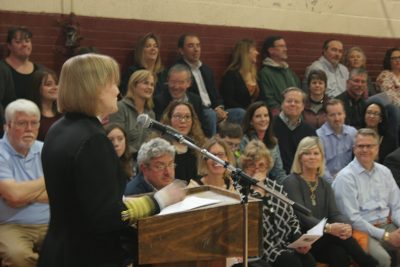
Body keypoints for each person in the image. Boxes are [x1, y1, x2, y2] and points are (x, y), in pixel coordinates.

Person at [37, 54, 185, 267]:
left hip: (59, 250)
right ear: (94, 88)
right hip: (88, 256)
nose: (117, 90)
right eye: (112, 84)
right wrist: (160, 200)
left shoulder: (58, 129)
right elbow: (108, 217)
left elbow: (87, 202)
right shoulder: (94, 139)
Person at [284, 136, 378, 267]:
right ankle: (372, 264)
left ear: (321, 157)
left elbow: (334, 214)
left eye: (316, 153)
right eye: (307, 153)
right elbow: (302, 217)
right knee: (343, 239)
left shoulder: (324, 184)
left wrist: (345, 225)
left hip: (323, 238)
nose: (312, 157)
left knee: (339, 254)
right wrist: (329, 228)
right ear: (300, 157)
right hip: (302, 239)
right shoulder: (291, 181)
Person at [240, 140, 316, 267]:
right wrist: (256, 191)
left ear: (268, 167)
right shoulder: (241, 191)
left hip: (284, 245)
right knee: (292, 263)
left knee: (309, 261)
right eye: (251, 165)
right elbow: (247, 224)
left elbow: (292, 219)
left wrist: (298, 239)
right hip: (260, 250)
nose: (256, 170)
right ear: (244, 168)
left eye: (261, 165)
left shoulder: (276, 188)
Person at [333, 128, 400, 267]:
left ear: (377, 148)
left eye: (369, 146)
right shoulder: (345, 178)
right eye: (360, 146)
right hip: (360, 231)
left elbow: (396, 206)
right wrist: (386, 236)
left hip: (386, 224)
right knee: (382, 260)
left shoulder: (384, 172)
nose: (365, 150)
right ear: (353, 148)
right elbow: (353, 219)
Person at [0, 99, 49, 267]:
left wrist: (23, 194)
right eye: (22, 123)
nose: (29, 129)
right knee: (18, 256)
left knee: (76, 245)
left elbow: (60, 192)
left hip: (51, 222)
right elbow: (13, 195)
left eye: (34, 123)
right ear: (7, 126)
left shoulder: (45, 149)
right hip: (10, 225)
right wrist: (46, 180)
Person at [176, 33, 230, 133]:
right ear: (181, 51)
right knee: (210, 115)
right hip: (197, 111)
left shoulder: (206, 69)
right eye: (191, 46)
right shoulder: (179, 71)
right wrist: (214, 112)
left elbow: (216, 94)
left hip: (213, 109)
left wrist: (219, 108)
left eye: (198, 45)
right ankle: (211, 146)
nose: (196, 49)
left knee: (239, 113)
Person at [0, 26, 44, 136]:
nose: (24, 44)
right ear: (9, 46)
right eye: (18, 42)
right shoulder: (2, 69)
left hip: (34, 128)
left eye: (27, 41)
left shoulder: (40, 70)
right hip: (9, 129)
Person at [108, 69, 156, 158]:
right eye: (145, 83)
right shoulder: (120, 108)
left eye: (152, 85)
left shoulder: (151, 114)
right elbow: (116, 141)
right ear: (134, 85)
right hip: (124, 160)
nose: (150, 87)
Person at [159, 100, 206, 183]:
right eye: (178, 116)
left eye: (187, 117)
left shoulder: (199, 145)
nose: (183, 121)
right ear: (169, 120)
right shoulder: (161, 147)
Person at [153, 64, 208, 135]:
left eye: (181, 82)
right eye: (173, 82)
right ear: (167, 81)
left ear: (189, 83)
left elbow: (203, 128)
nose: (176, 87)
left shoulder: (196, 100)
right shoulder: (158, 101)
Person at [240, 101, 287, 184]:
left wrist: (288, 184)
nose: (263, 119)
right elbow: (241, 168)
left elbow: (278, 171)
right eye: (258, 116)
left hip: (267, 184)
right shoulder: (244, 140)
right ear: (251, 121)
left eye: (266, 115)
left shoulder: (273, 141)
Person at [272, 87, 316, 173]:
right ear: (282, 104)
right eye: (289, 101)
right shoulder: (270, 125)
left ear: (303, 106)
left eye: (297, 102)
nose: (293, 104)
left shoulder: (309, 131)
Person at [258, 36, 301, 115]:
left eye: (285, 46)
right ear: (271, 50)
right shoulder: (265, 73)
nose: (285, 49)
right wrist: (284, 111)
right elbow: (268, 99)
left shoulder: (289, 71)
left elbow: (299, 91)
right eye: (281, 46)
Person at [316, 99, 357, 182]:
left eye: (339, 114)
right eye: (332, 115)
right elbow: (319, 165)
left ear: (344, 114)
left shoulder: (353, 133)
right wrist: (332, 182)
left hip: (350, 179)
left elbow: (359, 158)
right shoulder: (318, 136)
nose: (337, 118)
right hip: (326, 182)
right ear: (326, 117)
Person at [220, 39, 266, 112]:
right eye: (254, 50)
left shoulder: (256, 75)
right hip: (238, 112)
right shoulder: (231, 75)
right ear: (245, 53)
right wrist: (248, 112)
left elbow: (263, 98)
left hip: (255, 113)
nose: (257, 53)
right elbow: (228, 100)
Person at [120, 32, 165, 97]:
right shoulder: (132, 72)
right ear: (141, 51)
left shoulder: (163, 72)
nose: (153, 49)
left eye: (156, 46)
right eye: (148, 46)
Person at [28, 68, 62, 141]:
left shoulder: (64, 113)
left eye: (56, 84)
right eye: (48, 84)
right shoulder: (30, 115)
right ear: (37, 88)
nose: (55, 88)